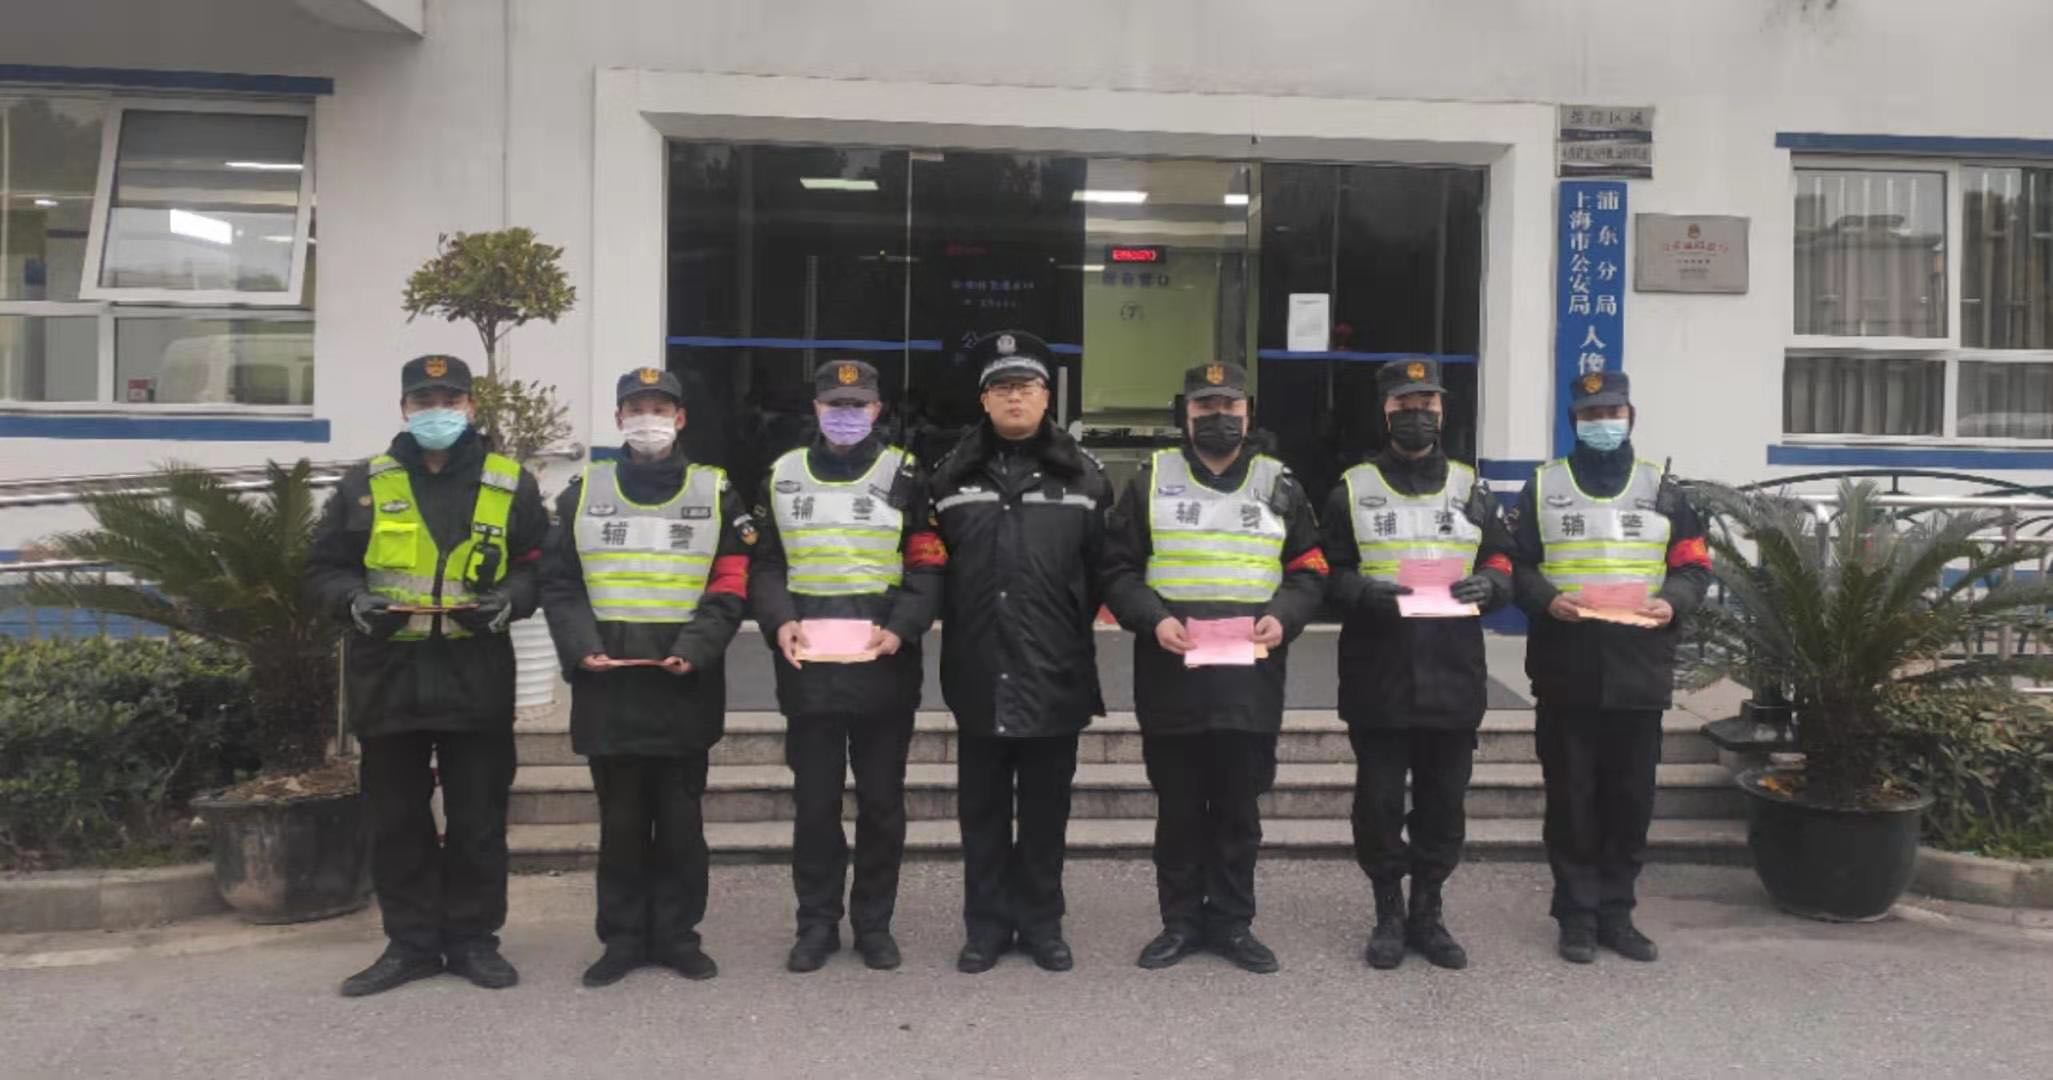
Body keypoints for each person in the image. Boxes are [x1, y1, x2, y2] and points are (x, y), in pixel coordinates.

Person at [305, 354, 548, 997]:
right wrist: (353, 601)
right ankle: (410, 944)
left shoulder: (509, 482)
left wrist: (512, 599)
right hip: (390, 676)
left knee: (479, 820)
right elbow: (324, 569)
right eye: (423, 400)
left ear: (470, 406)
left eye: (449, 399)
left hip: (476, 674)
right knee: (396, 820)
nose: (436, 411)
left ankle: (473, 941)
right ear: (404, 408)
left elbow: (537, 565)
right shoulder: (364, 483)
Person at [1102, 361, 1328, 975]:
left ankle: (1233, 923)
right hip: (1172, 675)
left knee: (1237, 812)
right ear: (1185, 413)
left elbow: (1310, 568)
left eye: (1230, 406)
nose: (1218, 417)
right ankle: (1179, 923)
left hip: (1249, 682)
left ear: (1248, 414)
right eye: (1205, 407)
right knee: (1177, 812)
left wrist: (1284, 615)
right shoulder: (1151, 479)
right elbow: (1117, 569)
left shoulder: (1279, 482)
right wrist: (1152, 618)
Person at [540, 367, 751, 988]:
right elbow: (560, 583)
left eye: (660, 408)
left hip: (683, 685)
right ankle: (623, 939)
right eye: (636, 409)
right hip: (610, 687)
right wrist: (581, 647)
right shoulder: (583, 492)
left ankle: (679, 937)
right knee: (621, 826)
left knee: (682, 826)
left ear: (680, 418)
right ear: (618, 420)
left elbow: (731, 582)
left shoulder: (716, 491)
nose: (648, 419)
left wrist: (696, 647)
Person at [927, 330, 1113, 974]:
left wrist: (1063, 624)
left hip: (1053, 673)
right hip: (977, 671)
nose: (1015, 398)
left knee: (1044, 816)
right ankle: (984, 928)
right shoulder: (951, 476)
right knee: (979, 815)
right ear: (983, 399)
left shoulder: (1084, 475)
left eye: (1026, 387)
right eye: (1002, 388)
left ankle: (1041, 925)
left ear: (1046, 397)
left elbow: (1104, 570)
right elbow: (932, 568)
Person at [1509, 371, 1711, 965]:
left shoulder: (1663, 490)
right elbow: (1515, 566)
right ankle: (1575, 914)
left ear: (1630, 416)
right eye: (1591, 414)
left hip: (1639, 669)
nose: (1603, 423)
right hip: (1566, 665)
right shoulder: (1543, 486)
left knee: (1630, 800)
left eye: (1612, 412)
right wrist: (1548, 599)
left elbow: (1693, 566)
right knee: (1571, 799)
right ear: (1575, 420)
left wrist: (1672, 601)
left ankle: (1617, 912)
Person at [749, 359, 942, 974]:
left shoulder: (905, 474)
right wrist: (778, 619)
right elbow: (767, 564)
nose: (846, 414)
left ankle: (874, 925)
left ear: (877, 410)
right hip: (810, 672)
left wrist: (903, 626)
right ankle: (816, 924)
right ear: (816, 408)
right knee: (815, 807)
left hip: (883, 668)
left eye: (858, 406)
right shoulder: (783, 475)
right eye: (835, 404)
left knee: (882, 806)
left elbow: (927, 563)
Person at [1322, 358, 1514, 972]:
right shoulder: (1351, 489)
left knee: (1443, 804)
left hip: (1452, 673)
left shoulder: (1472, 488)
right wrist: (1359, 592)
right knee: (1378, 804)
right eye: (1404, 405)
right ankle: (1388, 911)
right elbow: (1326, 570)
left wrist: (1492, 584)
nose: (1417, 415)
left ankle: (1428, 911)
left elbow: (1504, 559)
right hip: (1380, 672)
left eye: (1427, 404)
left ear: (1442, 410)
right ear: (1385, 412)